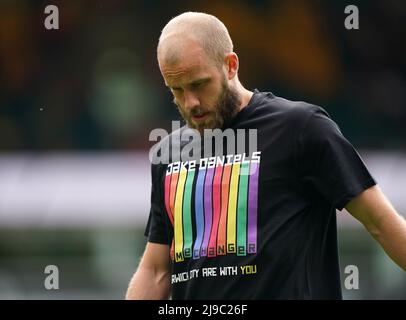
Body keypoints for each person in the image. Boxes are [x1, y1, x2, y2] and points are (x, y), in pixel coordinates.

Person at [126, 12, 406, 299]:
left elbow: (381, 222)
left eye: (199, 84)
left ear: (231, 65)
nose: (191, 102)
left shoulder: (301, 128)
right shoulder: (172, 153)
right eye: (177, 90)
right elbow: (157, 269)